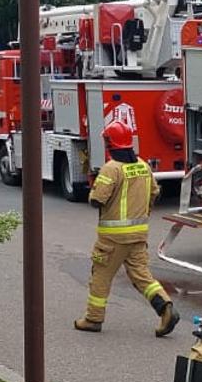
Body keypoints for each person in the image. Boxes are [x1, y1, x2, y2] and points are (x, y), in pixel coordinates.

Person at [74, 109, 178, 336]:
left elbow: (96, 200)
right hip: (138, 235)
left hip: (112, 238)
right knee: (142, 276)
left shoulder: (111, 169)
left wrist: (94, 193)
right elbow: (154, 193)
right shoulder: (143, 165)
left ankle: (93, 319)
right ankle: (165, 307)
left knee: (100, 276)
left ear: (110, 142)